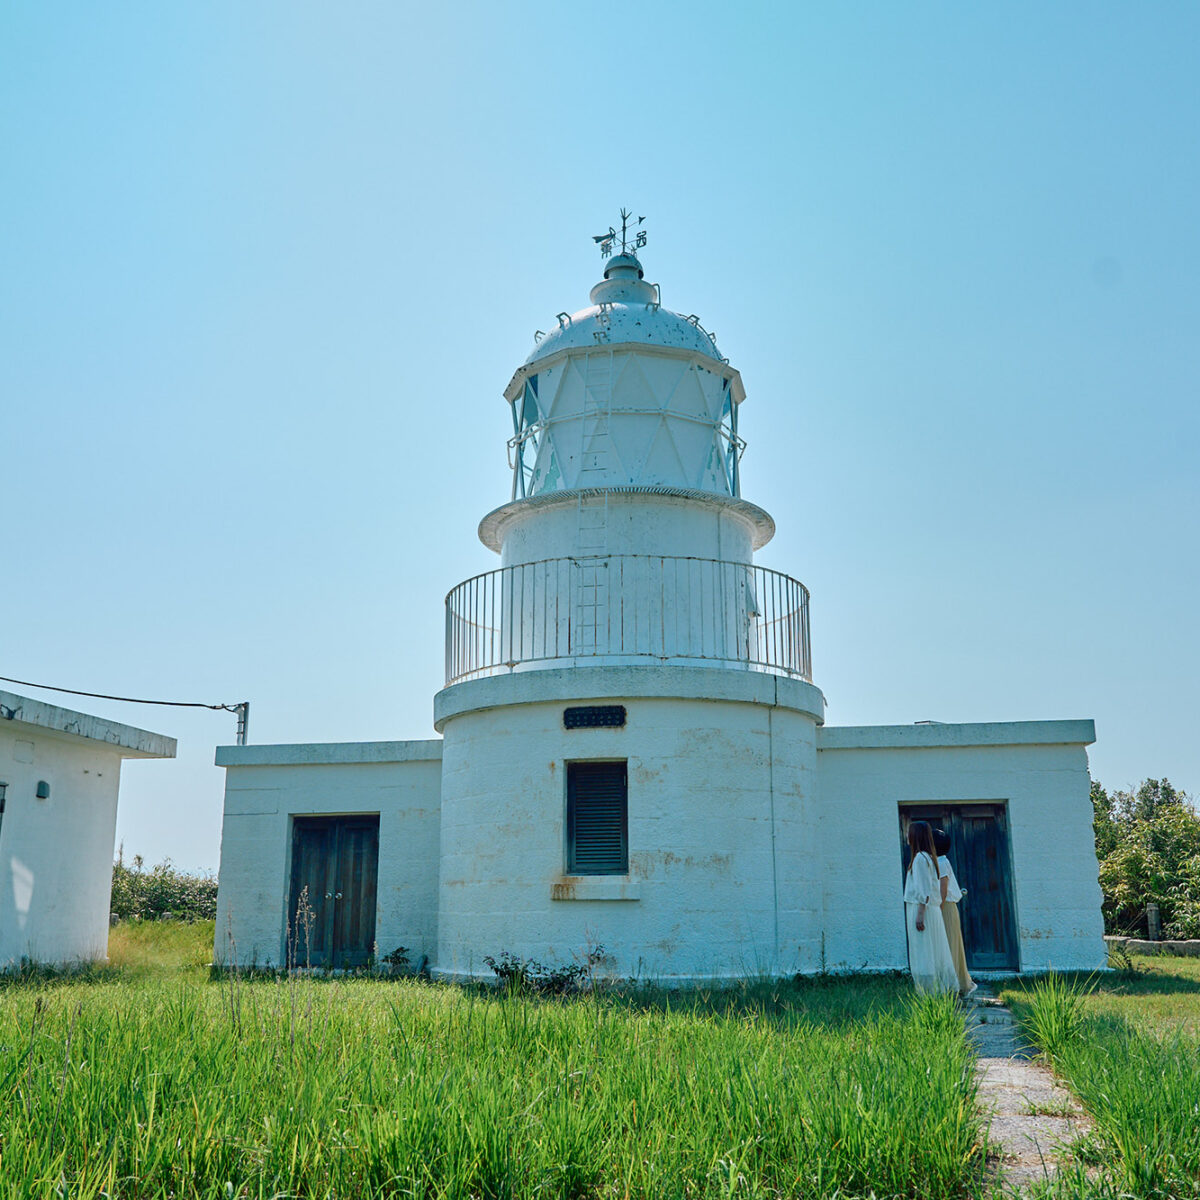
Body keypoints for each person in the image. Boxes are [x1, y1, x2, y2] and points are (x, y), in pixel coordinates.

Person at [903, 820, 959, 995]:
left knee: (923, 949)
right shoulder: (929, 858)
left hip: (922, 909)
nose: (907, 836)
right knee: (934, 949)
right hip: (929, 908)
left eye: (909, 832)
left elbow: (923, 889)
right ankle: (942, 988)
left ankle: (928, 991)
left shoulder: (920, 858)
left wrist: (920, 914)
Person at [934, 827, 978, 1000]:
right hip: (943, 906)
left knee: (949, 944)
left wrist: (937, 909)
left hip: (945, 907)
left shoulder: (942, 862)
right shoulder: (937, 861)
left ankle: (954, 984)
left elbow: (943, 889)